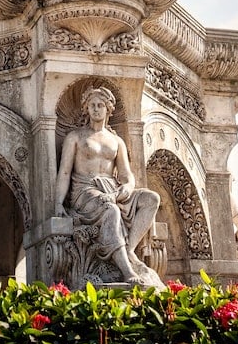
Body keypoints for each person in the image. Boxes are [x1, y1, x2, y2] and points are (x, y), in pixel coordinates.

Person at [55, 87, 161, 284]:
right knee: (110, 210)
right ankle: (127, 271)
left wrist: (122, 192)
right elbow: (65, 173)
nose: (96, 109)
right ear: (86, 108)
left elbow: (127, 177)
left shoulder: (116, 141)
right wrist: (58, 203)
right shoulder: (75, 137)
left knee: (151, 199)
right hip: (85, 191)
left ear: (108, 109)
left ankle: (128, 249)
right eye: (92, 105)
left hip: (113, 192)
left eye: (100, 105)